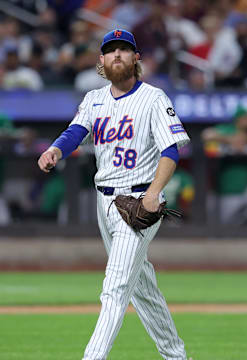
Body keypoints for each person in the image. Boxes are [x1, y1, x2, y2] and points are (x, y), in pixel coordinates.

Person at [38, 29, 191, 360]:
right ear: (101, 61)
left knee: (115, 288)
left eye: (124, 49)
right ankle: (177, 357)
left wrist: (154, 193)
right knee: (142, 289)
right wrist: (55, 150)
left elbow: (171, 151)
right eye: (111, 50)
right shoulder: (94, 99)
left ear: (136, 58)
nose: (117, 54)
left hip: (139, 202)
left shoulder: (153, 98)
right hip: (104, 201)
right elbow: (75, 132)